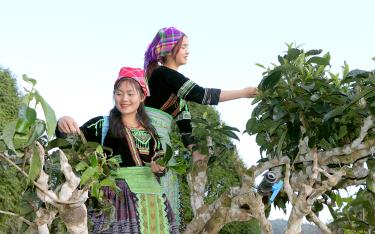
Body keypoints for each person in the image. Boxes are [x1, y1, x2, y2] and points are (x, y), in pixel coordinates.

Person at [143, 26, 258, 226]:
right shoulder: (163, 74)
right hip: (145, 143)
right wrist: (244, 92)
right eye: (184, 47)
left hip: (161, 146)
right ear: (171, 49)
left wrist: (196, 151)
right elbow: (202, 94)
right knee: (147, 201)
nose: (188, 51)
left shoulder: (174, 88)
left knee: (157, 205)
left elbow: (184, 124)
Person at [56, 67, 179, 234]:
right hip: (114, 197)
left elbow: (159, 160)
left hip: (153, 199)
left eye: (130, 93)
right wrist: (63, 122)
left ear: (142, 96)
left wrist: (159, 166)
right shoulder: (101, 125)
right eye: (119, 93)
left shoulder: (151, 132)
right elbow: (73, 141)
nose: (124, 99)